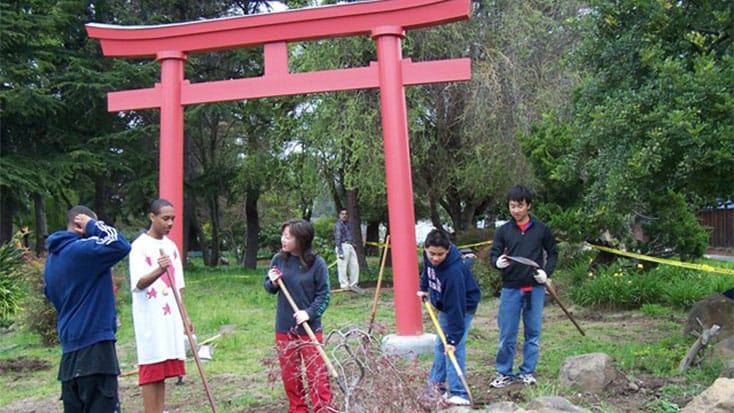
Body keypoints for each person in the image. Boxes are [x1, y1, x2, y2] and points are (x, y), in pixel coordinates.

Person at [44, 205, 131, 412]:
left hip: (69, 353)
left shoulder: (51, 261)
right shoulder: (83, 251)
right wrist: (93, 225)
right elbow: (120, 244)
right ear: (79, 224)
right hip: (95, 349)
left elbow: (50, 295)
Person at [489, 185, 557, 388]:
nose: (516, 210)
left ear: (528, 206)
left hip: (534, 289)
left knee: (533, 333)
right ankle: (504, 372)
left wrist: (546, 273)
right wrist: (496, 262)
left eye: (519, 206)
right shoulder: (504, 231)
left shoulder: (541, 230)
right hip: (510, 288)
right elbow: (494, 253)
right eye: (512, 206)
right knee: (507, 334)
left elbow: (553, 253)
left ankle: (527, 371)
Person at [128, 199, 193, 413]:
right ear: (152, 217)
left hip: (170, 316)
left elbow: (179, 284)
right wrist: (158, 270)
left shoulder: (171, 247)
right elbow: (138, 283)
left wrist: (185, 316)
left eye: (173, 219)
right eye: (165, 218)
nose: (170, 223)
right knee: (151, 366)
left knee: (163, 368)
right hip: (150, 317)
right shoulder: (139, 247)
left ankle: (160, 410)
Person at [264, 219, 333, 413]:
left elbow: (324, 295)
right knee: (290, 375)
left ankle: (324, 409)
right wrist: (273, 282)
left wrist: (308, 313)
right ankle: (298, 409)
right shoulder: (279, 259)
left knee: (316, 373)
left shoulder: (317, 263)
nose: (283, 240)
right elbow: (269, 287)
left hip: (309, 328)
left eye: (288, 236)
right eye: (283, 235)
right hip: (285, 326)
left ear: (301, 239)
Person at [417, 229, 481, 406]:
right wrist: (423, 287)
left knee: (453, 347)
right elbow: (427, 271)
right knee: (440, 345)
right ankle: (436, 387)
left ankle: (459, 393)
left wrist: (452, 339)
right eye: (432, 254)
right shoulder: (428, 255)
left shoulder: (454, 272)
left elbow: (456, 311)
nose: (435, 258)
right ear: (426, 248)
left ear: (448, 250)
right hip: (445, 304)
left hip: (462, 308)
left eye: (440, 255)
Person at [333, 208, 363, 293]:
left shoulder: (348, 224)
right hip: (342, 245)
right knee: (342, 266)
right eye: (342, 214)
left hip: (349, 245)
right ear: (339, 215)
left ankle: (353, 284)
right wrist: (340, 250)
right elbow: (338, 237)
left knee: (354, 265)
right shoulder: (338, 225)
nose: (344, 215)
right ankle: (344, 285)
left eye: (346, 214)